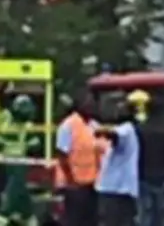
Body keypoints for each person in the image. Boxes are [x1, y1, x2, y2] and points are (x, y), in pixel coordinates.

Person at [0, 95, 43, 226]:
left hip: (9, 160)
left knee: (20, 188)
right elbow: (35, 144)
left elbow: (35, 144)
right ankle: (2, 216)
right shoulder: (9, 123)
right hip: (14, 161)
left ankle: (29, 216)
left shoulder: (8, 122)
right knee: (14, 188)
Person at [129, 91, 164, 226]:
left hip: (143, 175)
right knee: (161, 210)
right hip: (161, 176)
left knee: (145, 210)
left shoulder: (139, 129)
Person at [55, 92, 100, 226]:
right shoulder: (68, 125)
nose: (91, 105)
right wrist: (70, 180)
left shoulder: (94, 125)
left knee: (90, 220)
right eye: (87, 102)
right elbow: (62, 154)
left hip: (92, 183)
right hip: (74, 183)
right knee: (74, 219)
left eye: (92, 102)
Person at [95, 99, 140, 226]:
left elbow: (114, 134)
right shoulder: (130, 130)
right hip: (119, 188)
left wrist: (100, 130)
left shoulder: (126, 128)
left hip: (116, 188)